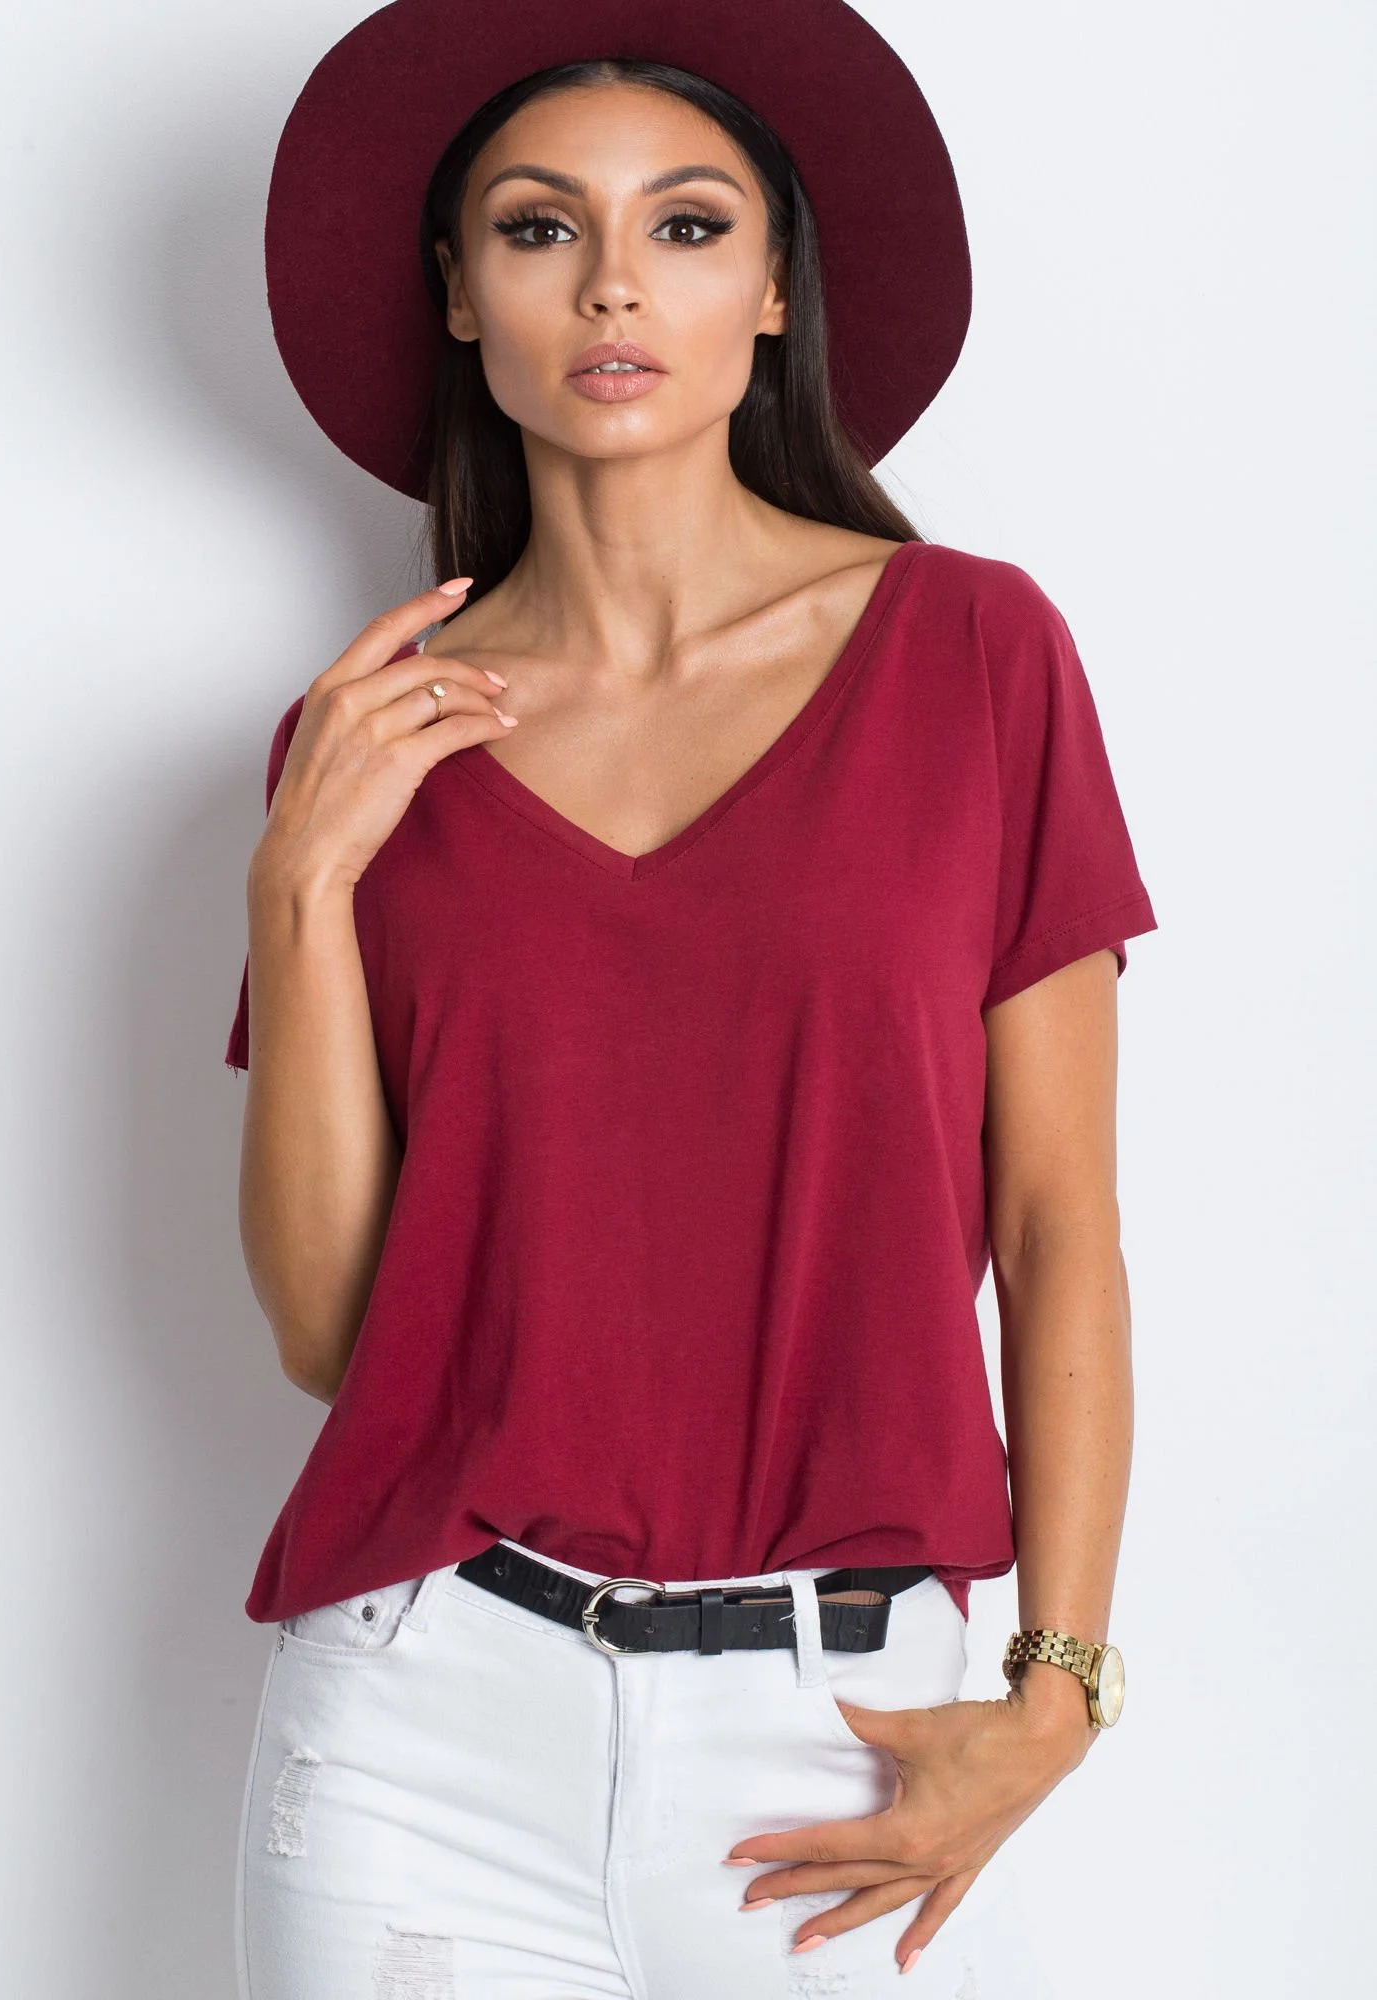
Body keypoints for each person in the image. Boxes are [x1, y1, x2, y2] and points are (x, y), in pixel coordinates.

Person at [221, 4, 1158, 1994]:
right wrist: (300, 883)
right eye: (539, 228)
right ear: (459, 296)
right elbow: (329, 1331)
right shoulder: (366, 741)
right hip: (418, 1726)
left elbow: (1059, 1218)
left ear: (775, 293)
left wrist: (1056, 1685)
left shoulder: (976, 654)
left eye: (688, 224)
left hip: (847, 1741)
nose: (614, 283)